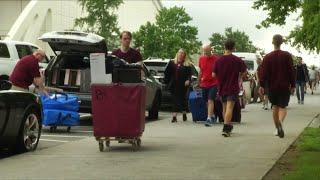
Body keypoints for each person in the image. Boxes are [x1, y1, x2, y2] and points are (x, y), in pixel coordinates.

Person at [259, 34, 295, 138]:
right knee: (283, 106)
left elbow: (263, 73)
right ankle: (280, 123)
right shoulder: (287, 55)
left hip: (272, 86)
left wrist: (261, 85)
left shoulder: (267, 57)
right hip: (284, 85)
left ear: (272, 42)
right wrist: (292, 85)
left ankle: (277, 127)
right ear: (282, 42)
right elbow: (291, 71)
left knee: (274, 106)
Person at [213, 39, 247, 137]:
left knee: (224, 108)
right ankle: (226, 128)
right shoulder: (237, 60)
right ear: (233, 47)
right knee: (230, 108)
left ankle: (226, 125)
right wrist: (239, 76)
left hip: (222, 87)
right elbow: (244, 72)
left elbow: (213, 74)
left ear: (225, 47)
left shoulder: (218, 60)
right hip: (232, 87)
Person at [164, 48, 192, 123]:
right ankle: (174, 117)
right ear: (177, 53)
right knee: (175, 100)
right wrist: (166, 82)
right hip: (174, 84)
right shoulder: (172, 62)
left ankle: (184, 113)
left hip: (183, 85)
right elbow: (167, 73)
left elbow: (190, 75)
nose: (181, 54)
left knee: (183, 100)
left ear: (185, 55)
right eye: (180, 52)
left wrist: (188, 80)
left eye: (182, 53)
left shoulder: (187, 64)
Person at [198, 45, 219, 127]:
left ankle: (209, 118)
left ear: (211, 50)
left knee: (210, 100)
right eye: (204, 51)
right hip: (204, 83)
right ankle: (212, 115)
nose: (205, 52)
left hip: (214, 83)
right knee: (206, 101)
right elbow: (201, 71)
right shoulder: (201, 59)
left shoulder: (216, 59)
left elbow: (219, 71)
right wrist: (198, 81)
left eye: (207, 51)